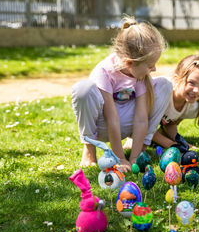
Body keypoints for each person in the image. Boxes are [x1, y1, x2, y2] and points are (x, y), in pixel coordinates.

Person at [71, 17, 172, 172]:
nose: (154, 70)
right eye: (150, 66)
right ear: (129, 63)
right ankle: (90, 148)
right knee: (83, 89)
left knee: (165, 84)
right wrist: (120, 159)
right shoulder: (104, 72)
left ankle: (139, 149)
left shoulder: (138, 73)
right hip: (103, 125)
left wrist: (133, 158)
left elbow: (141, 119)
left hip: (125, 122)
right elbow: (111, 119)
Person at [152, 55, 199, 152]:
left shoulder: (193, 106)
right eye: (191, 83)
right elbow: (143, 125)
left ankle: (160, 135)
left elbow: (171, 122)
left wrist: (179, 141)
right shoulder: (161, 92)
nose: (197, 90)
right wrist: (170, 144)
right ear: (176, 79)